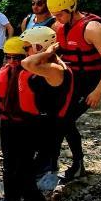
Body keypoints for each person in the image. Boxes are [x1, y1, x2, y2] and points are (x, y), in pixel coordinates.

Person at [0, 36, 61, 201]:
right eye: (8, 57)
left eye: (16, 57)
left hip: (27, 127)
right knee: (10, 168)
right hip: (8, 124)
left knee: (24, 176)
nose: (11, 62)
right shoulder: (7, 70)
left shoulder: (37, 74)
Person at [47, 0, 101, 183]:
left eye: (60, 14)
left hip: (90, 83)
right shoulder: (59, 27)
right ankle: (51, 162)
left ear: (72, 8)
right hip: (71, 81)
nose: (58, 18)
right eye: (55, 15)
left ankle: (76, 164)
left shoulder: (92, 28)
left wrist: (98, 91)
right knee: (56, 119)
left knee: (65, 120)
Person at [21, 26, 75, 184]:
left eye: (27, 47)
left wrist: (47, 51)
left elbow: (26, 63)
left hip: (51, 123)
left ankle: (42, 198)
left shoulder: (54, 68)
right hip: (46, 120)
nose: (25, 51)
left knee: (43, 162)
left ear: (38, 47)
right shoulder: (51, 64)